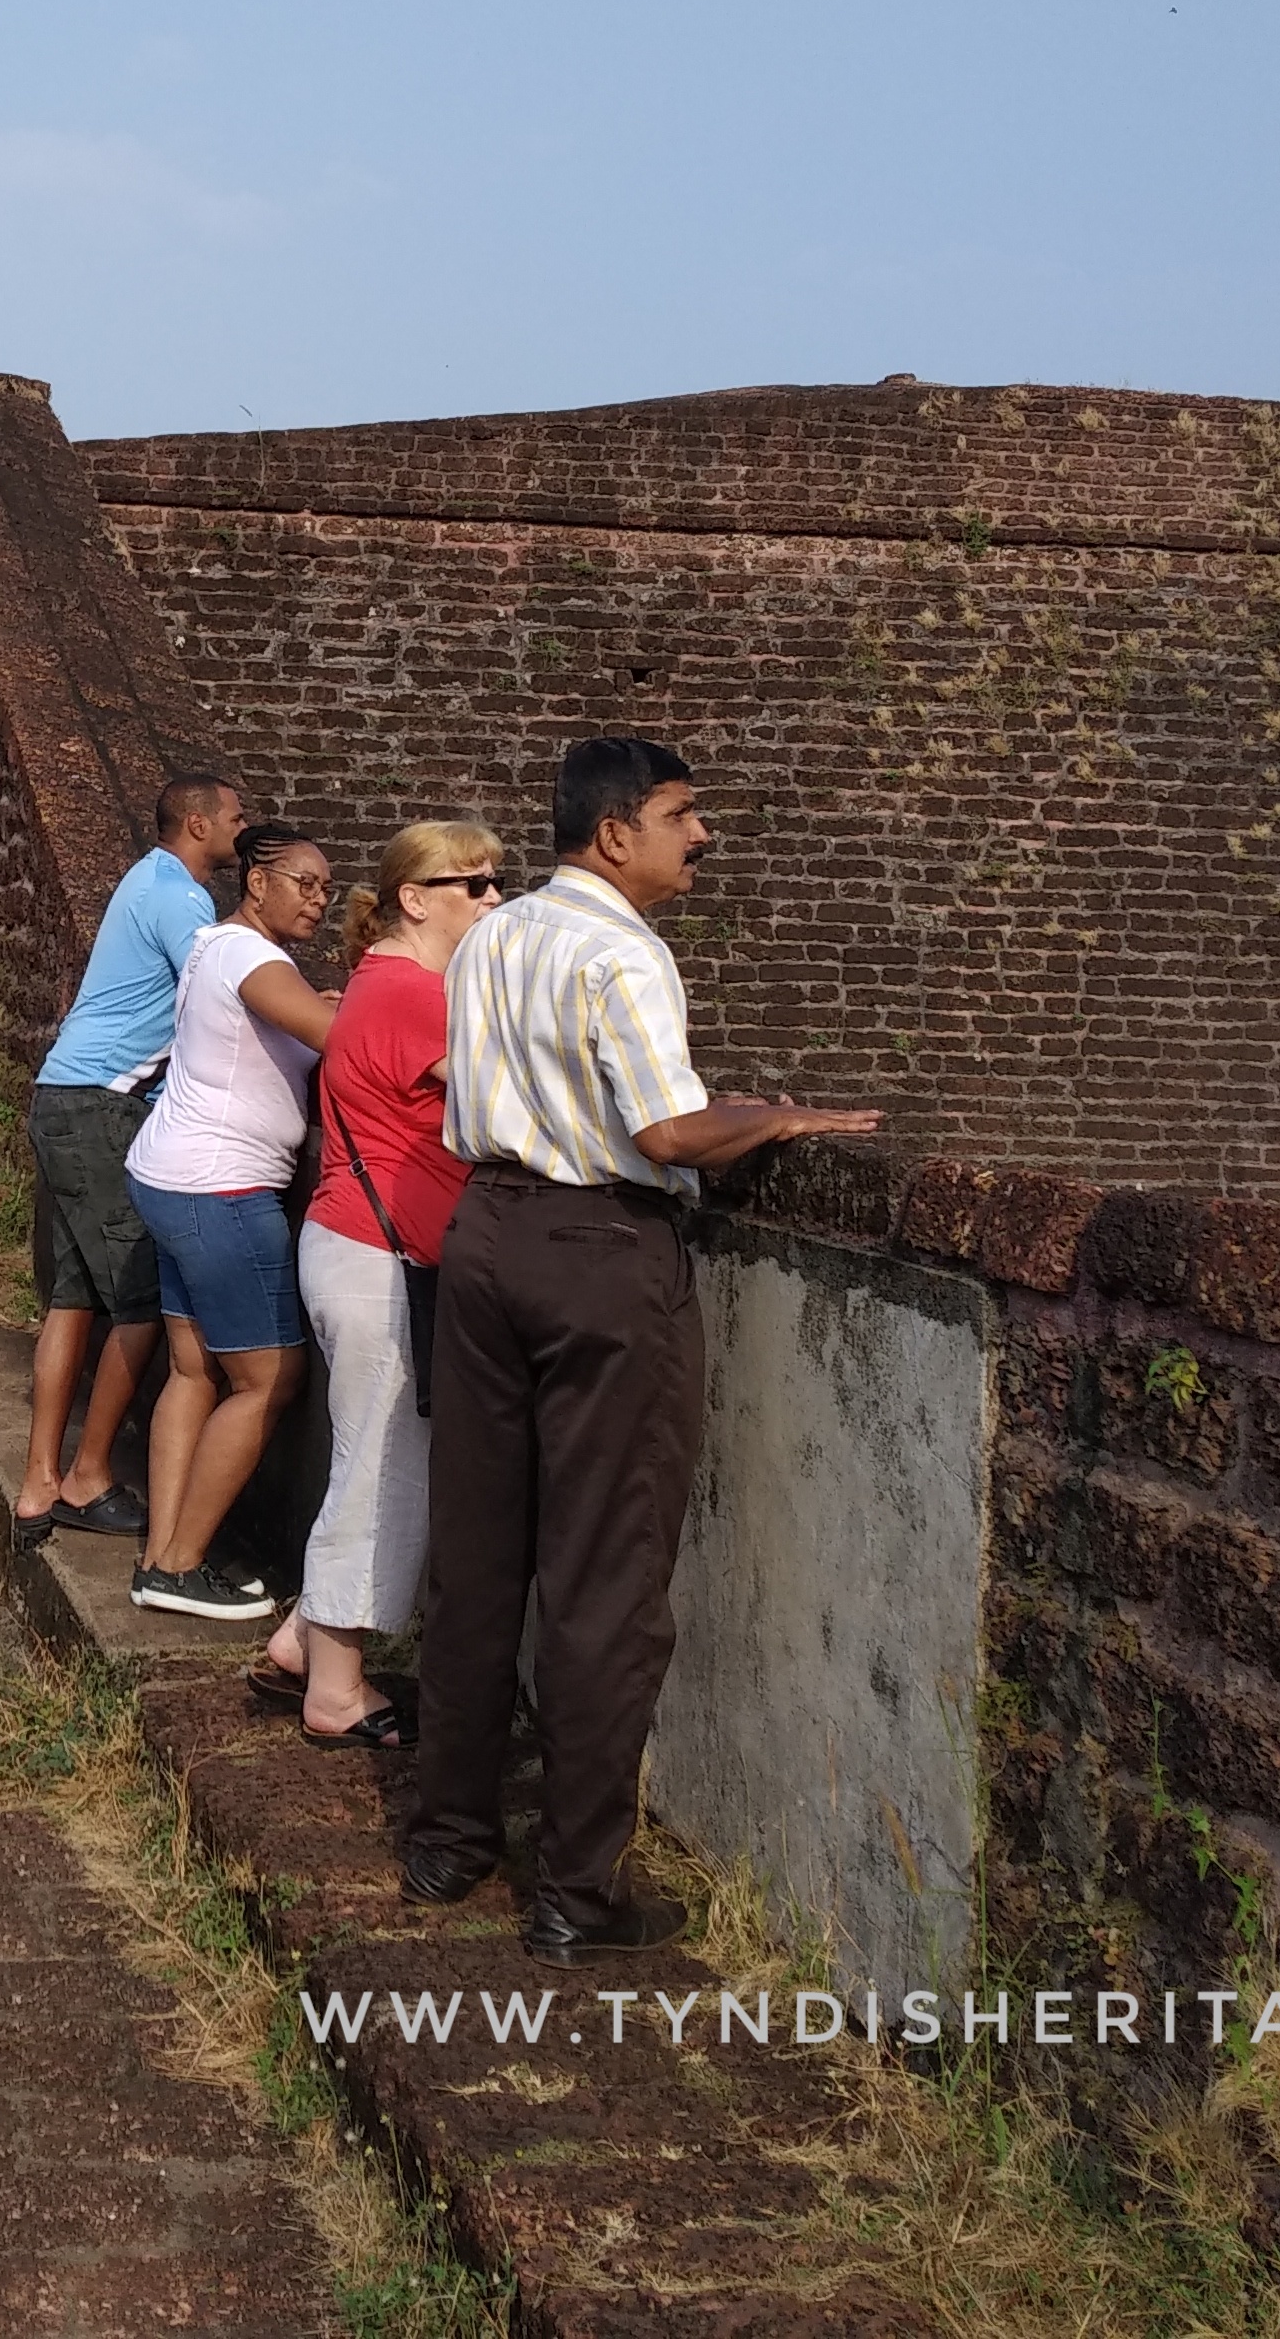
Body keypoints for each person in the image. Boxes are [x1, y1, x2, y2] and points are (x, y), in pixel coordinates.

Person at [401, 738, 883, 1962]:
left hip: (486, 1234)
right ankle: (575, 1889)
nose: (700, 835)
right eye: (681, 814)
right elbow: (666, 1129)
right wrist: (773, 1115)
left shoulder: (494, 934)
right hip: (597, 1252)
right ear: (614, 834)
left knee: (474, 1555)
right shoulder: (622, 950)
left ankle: (449, 1838)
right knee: (604, 1576)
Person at [253, 819, 504, 1747]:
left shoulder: (383, 983)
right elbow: (513, 1102)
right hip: (379, 1257)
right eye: (472, 885)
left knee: (373, 1454)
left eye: (495, 882)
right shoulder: (412, 995)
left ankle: (300, 1642)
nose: (493, 899)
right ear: (414, 897)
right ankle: (338, 1689)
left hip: (359, 1245)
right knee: (385, 1466)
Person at [16, 775, 251, 1548]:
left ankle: (39, 1479)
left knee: (76, 1294)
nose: (241, 831)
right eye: (234, 819)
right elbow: (221, 991)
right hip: (98, 1103)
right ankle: (84, 1475)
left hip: (69, 1095)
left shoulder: (142, 878)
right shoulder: (181, 898)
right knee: (141, 1300)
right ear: (197, 824)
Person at [119, 823, 338, 1620]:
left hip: (169, 1175)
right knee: (269, 1378)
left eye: (325, 888)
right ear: (256, 883)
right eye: (303, 883)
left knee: (192, 1369)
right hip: (221, 1188)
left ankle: (159, 1557)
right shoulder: (255, 958)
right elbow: (344, 1043)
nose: (318, 899)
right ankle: (181, 1565)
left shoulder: (215, 945)